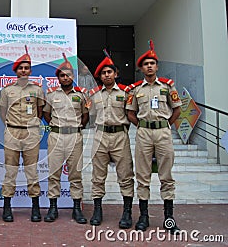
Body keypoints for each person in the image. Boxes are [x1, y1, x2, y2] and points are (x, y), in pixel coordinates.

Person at [126, 40, 181, 234]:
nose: (149, 66)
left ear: (157, 66)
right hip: (143, 133)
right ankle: (143, 216)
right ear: (141, 68)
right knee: (143, 175)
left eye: (152, 63)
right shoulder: (135, 90)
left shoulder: (167, 87)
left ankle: (168, 217)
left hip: (163, 132)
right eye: (145, 64)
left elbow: (177, 109)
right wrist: (141, 125)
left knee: (166, 175)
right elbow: (130, 112)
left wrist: (166, 124)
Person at [88, 50, 134, 228]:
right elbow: (90, 115)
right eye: (103, 73)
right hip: (100, 136)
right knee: (97, 176)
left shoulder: (126, 92)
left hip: (120, 136)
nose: (107, 75)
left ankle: (127, 212)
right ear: (99, 76)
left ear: (116, 74)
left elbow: (131, 113)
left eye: (110, 72)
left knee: (125, 175)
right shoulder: (94, 94)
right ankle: (97, 210)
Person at [0, 46, 45, 222]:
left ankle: (35, 207)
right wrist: (13, 125)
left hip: (31, 134)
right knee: (10, 171)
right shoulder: (7, 90)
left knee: (31, 171)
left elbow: (40, 111)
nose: (23, 70)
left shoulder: (37, 89)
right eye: (20, 68)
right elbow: (3, 112)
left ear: (30, 70)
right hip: (11, 132)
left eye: (26, 68)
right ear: (16, 71)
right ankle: (7, 207)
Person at [43, 53, 89, 224]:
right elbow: (46, 114)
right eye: (62, 75)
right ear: (58, 78)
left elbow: (85, 116)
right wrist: (57, 127)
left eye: (68, 74)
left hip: (74, 137)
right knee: (53, 173)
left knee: (75, 174)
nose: (65, 77)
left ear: (73, 76)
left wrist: (76, 128)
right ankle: (52, 208)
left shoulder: (81, 95)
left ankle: (76, 209)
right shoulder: (51, 94)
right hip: (56, 136)